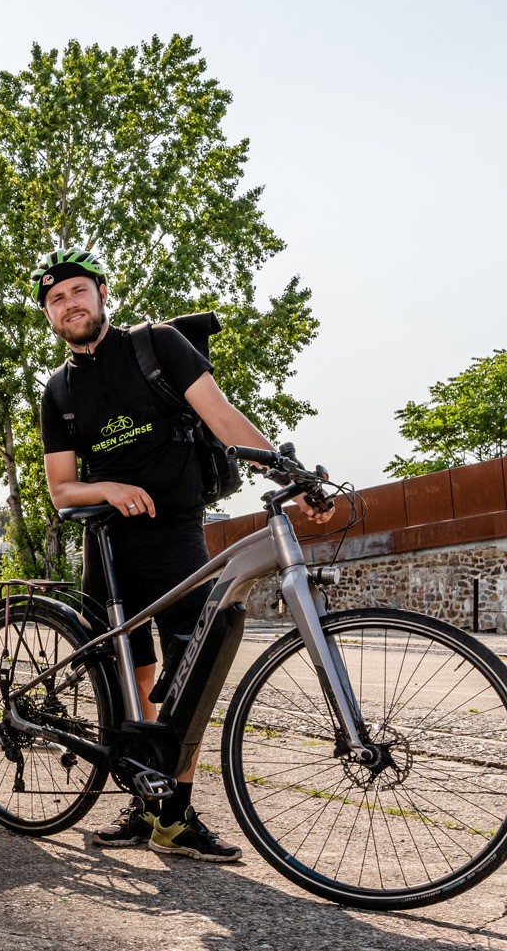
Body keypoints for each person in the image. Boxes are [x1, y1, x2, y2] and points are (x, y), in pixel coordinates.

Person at [34, 247, 333, 860]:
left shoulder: (157, 346)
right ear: (49, 315)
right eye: (56, 300)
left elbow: (223, 418)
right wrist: (109, 489)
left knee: (189, 670)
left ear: (101, 295)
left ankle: (174, 808)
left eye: (78, 292)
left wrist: (292, 472)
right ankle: (150, 805)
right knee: (131, 672)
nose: (70, 305)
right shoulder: (58, 390)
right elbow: (62, 487)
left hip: (176, 534)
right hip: (108, 542)